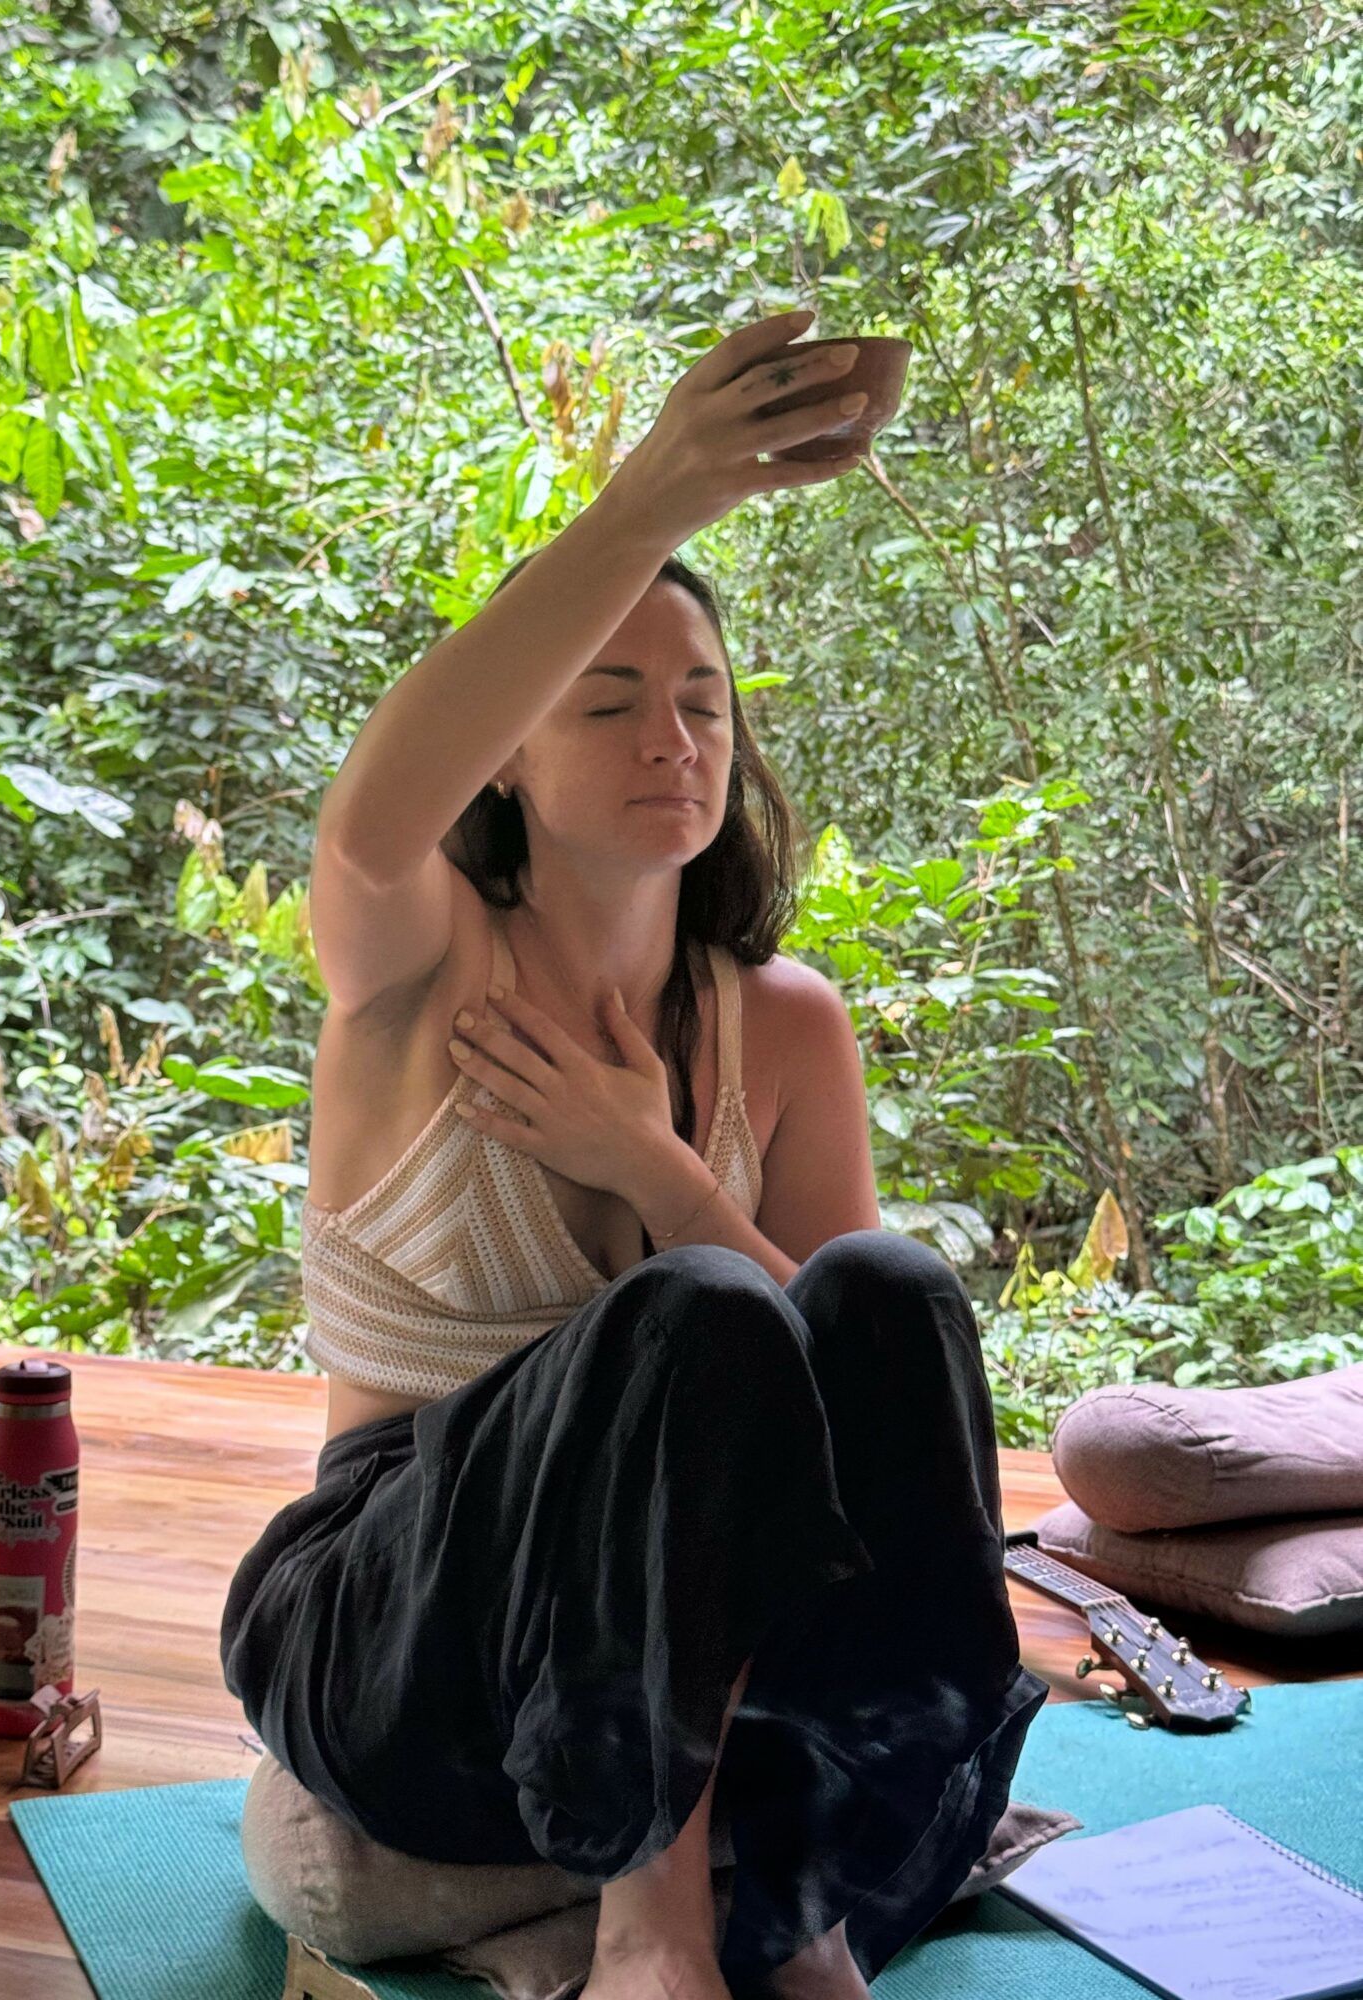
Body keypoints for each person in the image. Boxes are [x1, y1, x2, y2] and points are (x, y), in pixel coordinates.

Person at [221, 308, 1049, 2000]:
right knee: (693, 1312)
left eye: (702, 702)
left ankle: (790, 1892)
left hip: (714, 1669)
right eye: (607, 703)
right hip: (406, 1628)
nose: (673, 738)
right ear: (510, 762)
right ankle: (656, 1927)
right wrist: (659, 494)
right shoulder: (420, 974)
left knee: (882, 1289)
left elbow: (850, 1410)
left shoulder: (786, 1025)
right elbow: (365, 828)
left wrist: (658, 1165)